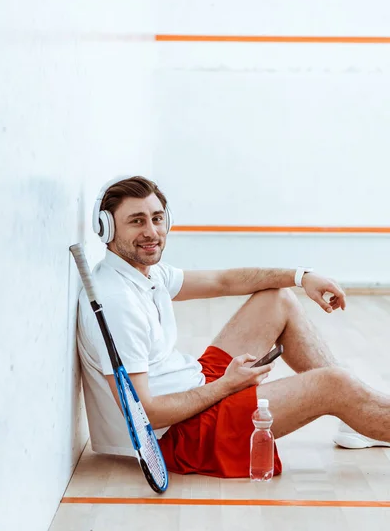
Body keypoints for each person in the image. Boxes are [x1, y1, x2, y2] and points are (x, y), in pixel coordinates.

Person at [77, 175, 390, 479]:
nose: (151, 231)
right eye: (137, 221)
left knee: (277, 300)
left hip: (196, 388)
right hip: (181, 434)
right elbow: (147, 414)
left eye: (157, 219)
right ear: (107, 228)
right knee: (331, 384)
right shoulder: (118, 303)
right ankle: (361, 408)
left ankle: (359, 415)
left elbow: (223, 280)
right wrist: (226, 386)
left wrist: (301, 277)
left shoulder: (144, 273)